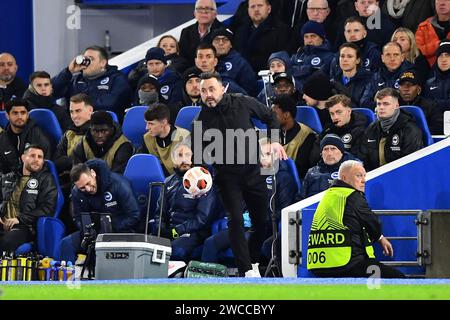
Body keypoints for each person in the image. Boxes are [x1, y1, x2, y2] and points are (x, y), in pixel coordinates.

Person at [192, 72, 287, 277]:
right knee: (234, 219)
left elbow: (270, 117)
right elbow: (199, 159)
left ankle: (252, 261)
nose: (208, 94)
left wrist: (274, 140)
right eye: (203, 91)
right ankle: (246, 271)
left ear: (222, 88)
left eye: (211, 89)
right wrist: (201, 179)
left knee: (260, 222)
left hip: (254, 171)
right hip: (226, 178)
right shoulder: (200, 121)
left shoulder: (243, 102)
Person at [201, 138, 297, 267]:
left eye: (268, 154)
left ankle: (247, 280)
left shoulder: (283, 179)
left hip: (266, 227)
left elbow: (286, 210)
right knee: (210, 243)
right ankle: (208, 283)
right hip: (245, 225)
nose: (263, 158)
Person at [307, 160, 405, 278]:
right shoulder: (352, 196)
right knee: (398, 278)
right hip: (346, 264)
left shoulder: (329, 195)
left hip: (318, 265)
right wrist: (380, 237)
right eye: (358, 176)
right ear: (344, 177)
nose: (363, 180)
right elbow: (372, 222)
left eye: (364, 176)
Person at [60, 159, 141, 262]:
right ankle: (69, 276)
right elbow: (78, 218)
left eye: (88, 183)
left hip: (119, 231)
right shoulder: (76, 192)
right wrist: (88, 230)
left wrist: (111, 227)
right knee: (66, 244)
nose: (88, 189)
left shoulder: (118, 184)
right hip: (93, 234)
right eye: (83, 188)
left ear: (93, 173)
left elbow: (135, 215)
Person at [156, 142, 220, 261]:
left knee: (175, 251)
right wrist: (160, 228)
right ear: (173, 159)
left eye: (187, 155)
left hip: (193, 232)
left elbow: (202, 219)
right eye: (180, 155)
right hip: (170, 230)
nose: (184, 159)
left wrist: (177, 230)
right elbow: (159, 213)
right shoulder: (168, 181)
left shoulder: (203, 180)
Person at [0, 144, 57, 252]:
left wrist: (19, 219)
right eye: (32, 156)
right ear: (23, 158)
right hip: (3, 224)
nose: (36, 159)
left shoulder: (46, 180)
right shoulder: (8, 177)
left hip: (25, 227)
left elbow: (47, 209)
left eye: (40, 157)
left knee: (6, 242)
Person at [52, 45, 132, 122]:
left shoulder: (117, 79)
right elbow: (50, 92)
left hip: (104, 126)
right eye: (85, 59)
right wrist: (68, 71)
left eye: (91, 59)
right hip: (76, 127)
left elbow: (111, 104)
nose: (86, 63)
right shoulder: (75, 80)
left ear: (103, 63)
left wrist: (81, 106)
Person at [358, 88, 423, 171]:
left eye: (386, 104)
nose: (381, 107)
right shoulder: (371, 128)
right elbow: (362, 159)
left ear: (396, 106)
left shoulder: (410, 129)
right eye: (378, 104)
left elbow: (410, 164)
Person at [233, 0, 292, 74]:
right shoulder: (240, 32)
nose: (256, 9)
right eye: (252, 6)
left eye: (260, 6)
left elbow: (282, 58)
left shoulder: (282, 30)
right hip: (243, 76)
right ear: (248, 10)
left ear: (269, 9)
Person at [71, 110, 134, 174]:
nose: (100, 136)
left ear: (111, 130)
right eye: (95, 131)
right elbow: (76, 173)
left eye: (104, 131)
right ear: (90, 130)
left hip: (113, 182)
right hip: (87, 182)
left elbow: (118, 176)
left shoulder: (123, 146)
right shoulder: (83, 144)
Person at [0, 99, 52, 174]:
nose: (20, 116)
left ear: (27, 115)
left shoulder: (38, 136)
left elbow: (45, 167)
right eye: (15, 113)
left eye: (23, 113)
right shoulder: (2, 139)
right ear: (7, 116)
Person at [138, 103, 190, 176]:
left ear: (164, 122)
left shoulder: (184, 137)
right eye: (146, 123)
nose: (147, 128)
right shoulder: (147, 138)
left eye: (151, 124)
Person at [271, 94, 316, 179]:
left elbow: (300, 169)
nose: (271, 117)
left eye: (274, 114)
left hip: (291, 181)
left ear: (286, 115)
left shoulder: (307, 136)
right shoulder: (271, 132)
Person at [301, 133, 359, 199]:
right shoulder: (312, 173)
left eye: (333, 149)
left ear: (341, 152)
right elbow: (300, 198)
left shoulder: (354, 170)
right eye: (325, 149)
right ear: (321, 154)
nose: (329, 153)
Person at [360, 41, 414, 110]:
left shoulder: (410, 75)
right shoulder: (375, 77)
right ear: (382, 58)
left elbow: (409, 101)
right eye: (388, 55)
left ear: (402, 57)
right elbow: (363, 103)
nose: (392, 59)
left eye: (396, 55)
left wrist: (379, 101)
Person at [178, 0, 224, 72]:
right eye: (200, 9)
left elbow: (224, 58)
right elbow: (182, 60)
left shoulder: (223, 32)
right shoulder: (186, 32)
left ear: (215, 13)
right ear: (194, 13)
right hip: (191, 76)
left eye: (208, 9)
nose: (203, 12)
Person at [211, 27, 258, 96]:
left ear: (231, 45)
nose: (221, 43)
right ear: (212, 44)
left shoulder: (239, 63)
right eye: (217, 40)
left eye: (225, 40)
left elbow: (250, 90)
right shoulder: (208, 61)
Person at [291, 21, 334, 90]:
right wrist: (310, 69)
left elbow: (319, 75)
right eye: (306, 37)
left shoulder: (330, 57)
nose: (309, 40)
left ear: (322, 38)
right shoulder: (296, 56)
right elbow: (288, 71)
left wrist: (298, 71)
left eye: (313, 36)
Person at [398, 70, 443, 135]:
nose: (406, 89)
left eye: (410, 85)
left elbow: (438, 129)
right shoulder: (393, 105)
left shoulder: (430, 106)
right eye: (402, 85)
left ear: (419, 89)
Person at [331, 42, 372, 107]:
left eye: (349, 56)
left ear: (357, 60)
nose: (345, 59)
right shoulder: (333, 81)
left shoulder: (369, 80)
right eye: (342, 56)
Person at [415, 0, 450, 67]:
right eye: (438, 0)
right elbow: (417, 50)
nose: (442, 3)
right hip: (427, 70)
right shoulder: (423, 26)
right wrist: (440, 44)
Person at [423, 39, 450, 113]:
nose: (443, 59)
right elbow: (425, 106)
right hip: (434, 122)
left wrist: (434, 103)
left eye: (447, 55)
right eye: (440, 56)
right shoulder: (429, 83)